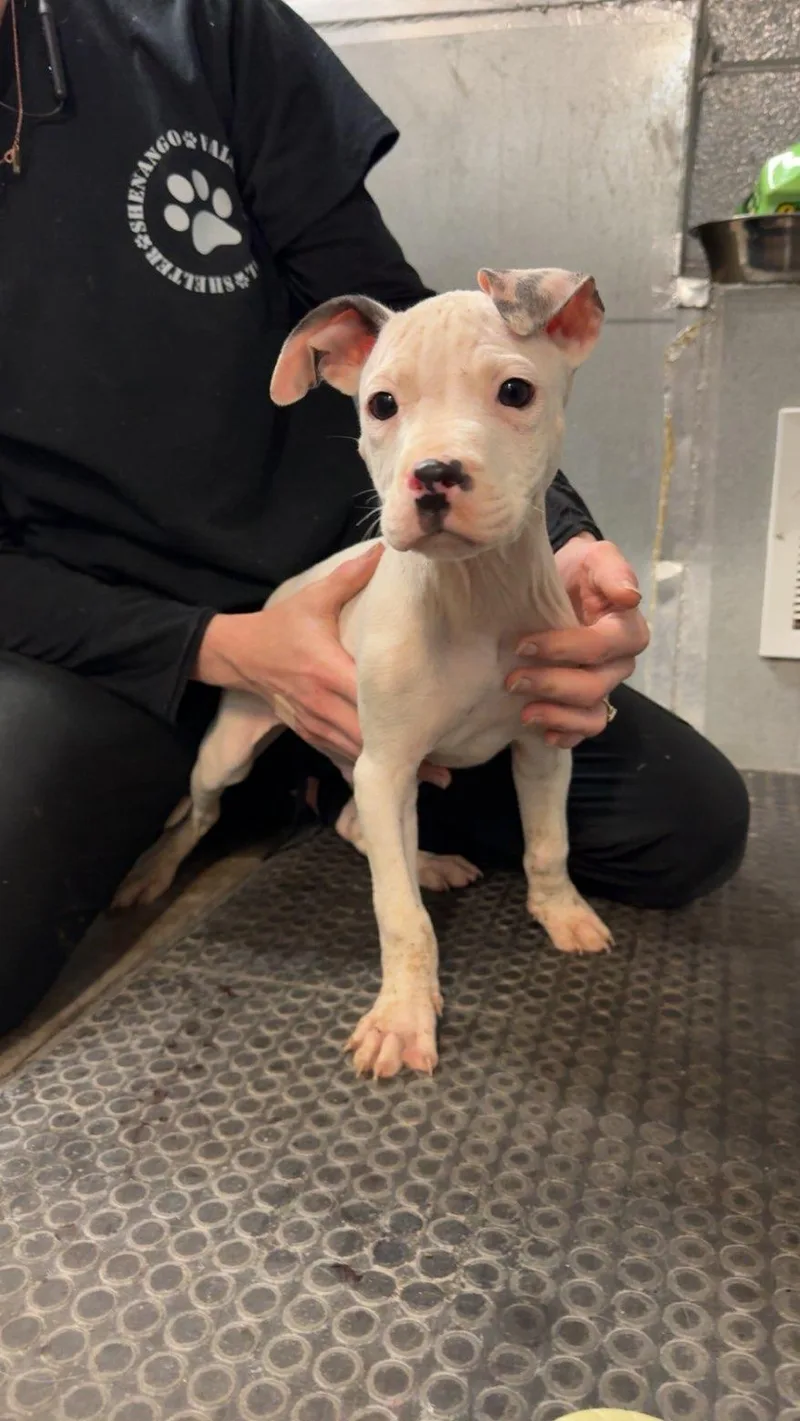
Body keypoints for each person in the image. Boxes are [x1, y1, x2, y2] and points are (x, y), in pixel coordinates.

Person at [0, 0, 748, 1038]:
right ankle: (243, 790)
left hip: (347, 583)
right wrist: (218, 648)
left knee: (686, 827)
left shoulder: (200, 27)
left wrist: (566, 539)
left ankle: (323, 787)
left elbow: (421, 334)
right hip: (94, 624)